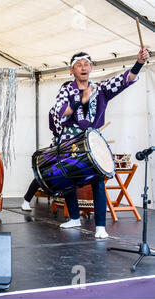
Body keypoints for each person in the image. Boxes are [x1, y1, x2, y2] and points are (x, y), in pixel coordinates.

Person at [50, 48, 150, 239]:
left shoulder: (100, 88)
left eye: (86, 64)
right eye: (79, 65)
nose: (83, 67)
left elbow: (124, 80)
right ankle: (74, 218)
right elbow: (61, 112)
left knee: (98, 181)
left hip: (92, 141)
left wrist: (139, 63)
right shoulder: (66, 90)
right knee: (67, 180)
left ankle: (101, 227)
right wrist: (81, 100)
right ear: (72, 71)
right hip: (70, 141)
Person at [21, 81, 72, 212]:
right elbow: (54, 127)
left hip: (74, 146)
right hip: (60, 146)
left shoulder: (79, 108)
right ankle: (26, 200)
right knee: (43, 173)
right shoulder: (57, 109)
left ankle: (86, 206)